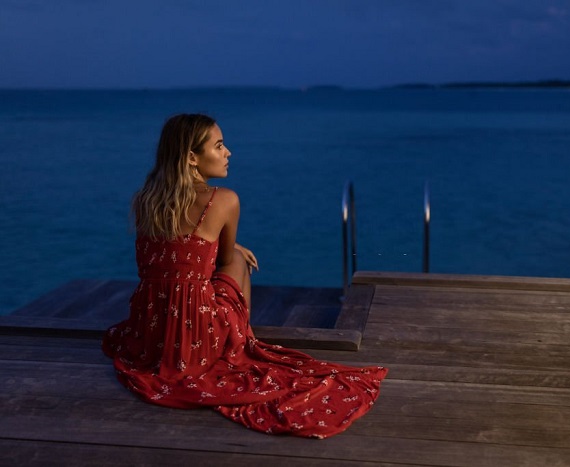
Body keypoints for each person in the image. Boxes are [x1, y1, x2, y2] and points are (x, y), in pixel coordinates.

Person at [102, 113, 387, 438]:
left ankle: (223, 330)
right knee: (236, 257)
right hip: (199, 339)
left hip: (150, 332)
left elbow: (174, 253)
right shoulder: (224, 200)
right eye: (219, 146)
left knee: (212, 262)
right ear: (192, 158)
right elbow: (222, 261)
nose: (229, 153)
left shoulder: (145, 201)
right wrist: (233, 247)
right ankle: (238, 339)